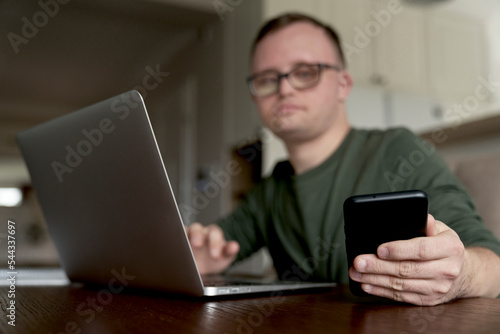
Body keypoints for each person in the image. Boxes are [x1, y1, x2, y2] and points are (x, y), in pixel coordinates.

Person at [185, 13, 500, 306]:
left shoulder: (398, 151)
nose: (283, 88)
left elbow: (493, 265)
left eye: (305, 72)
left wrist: (461, 274)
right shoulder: (269, 192)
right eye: (267, 79)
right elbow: (212, 246)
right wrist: (198, 254)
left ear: (343, 84)